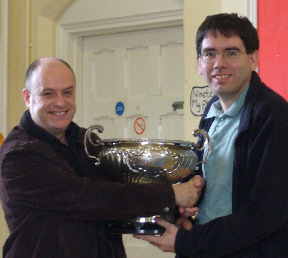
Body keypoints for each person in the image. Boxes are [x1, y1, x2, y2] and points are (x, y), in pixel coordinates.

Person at [0, 57, 204, 257]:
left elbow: (122, 195)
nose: (61, 102)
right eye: (48, 93)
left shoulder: (86, 141)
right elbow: (86, 198)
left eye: (67, 92)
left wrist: (173, 212)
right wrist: (170, 195)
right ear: (27, 97)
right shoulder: (18, 155)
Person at [134, 13, 288, 257]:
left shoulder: (274, 117)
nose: (219, 63)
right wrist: (188, 213)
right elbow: (218, 185)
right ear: (198, 63)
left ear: (253, 59)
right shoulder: (212, 111)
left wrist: (189, 241)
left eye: (231, 52)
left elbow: (265, 215)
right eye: (210, 54)